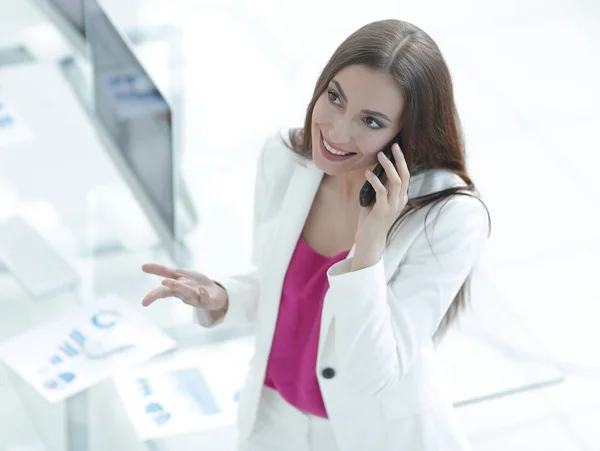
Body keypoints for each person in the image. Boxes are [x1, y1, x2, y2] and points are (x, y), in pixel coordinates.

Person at [141, 18, 490, 451]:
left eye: (372, 121)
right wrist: (222, 295)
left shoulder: (448, 217)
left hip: (369, 435)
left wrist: (370, 245)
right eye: (335, 98)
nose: (338, 132)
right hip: (273, 417)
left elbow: (371, 373)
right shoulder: (286, 158)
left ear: (406, 133)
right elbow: (281, 286)